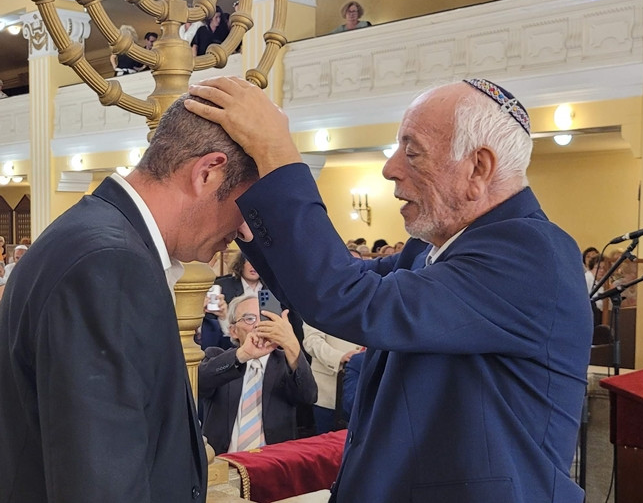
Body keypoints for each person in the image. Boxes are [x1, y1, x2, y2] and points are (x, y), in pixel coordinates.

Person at [186, 76, 592, 503]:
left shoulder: (531, 253)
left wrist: (277, 154)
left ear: (478, 168)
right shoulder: (430, 248)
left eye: (412, 152)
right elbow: (317, 289)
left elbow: (347, 297)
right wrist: (254, 212)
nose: (390, 167)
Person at [0, 95, 259, 503]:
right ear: (207, 173)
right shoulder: (111, 261)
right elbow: (101, 481)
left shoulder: (99, 235)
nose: (245, 231)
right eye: (247, 205)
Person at [198, 294, 316, 455]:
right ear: (233, 331)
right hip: (223, 460)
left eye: (264, 318)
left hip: (273, 461)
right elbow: (198, 385)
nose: (259, 325)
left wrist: (292, 344)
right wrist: (243, 355)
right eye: (249, 319)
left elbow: (308, 396)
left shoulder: (287, 362)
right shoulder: (217, 357)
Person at [302, 323, 361, 434]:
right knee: (326, 440)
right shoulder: (316, 309)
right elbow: (311, 340)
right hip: (328, 392)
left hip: (367, 394)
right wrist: (339, 357)